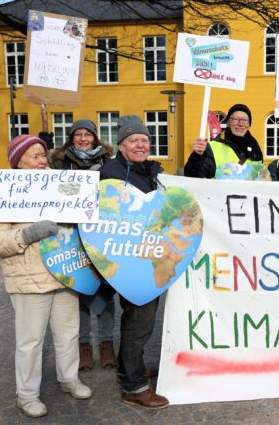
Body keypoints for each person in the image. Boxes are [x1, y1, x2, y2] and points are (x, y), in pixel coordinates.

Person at [0, 135, 92, 418]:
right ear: (18, 162)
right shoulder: (5, 191)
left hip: (65, 272)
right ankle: (26, 395)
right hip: (28, 277)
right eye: (34, 156)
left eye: (43, 155)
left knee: (68, 334)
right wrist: (26, 235)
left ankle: (69, 379)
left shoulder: (62, 183)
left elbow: (84, 217)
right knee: (30, 341)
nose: (42, 161)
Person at [98, 115, 168, 408]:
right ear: (121, 145)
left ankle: (130, 369)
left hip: (147, 255)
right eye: (133, 140)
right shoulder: (111, 173)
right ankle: (135, 387)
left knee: (139, 319)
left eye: (144, 140)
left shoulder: (149, 170)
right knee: (138, 321)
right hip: (129, 261)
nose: (140, 144)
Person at [49, 119, 117, 371]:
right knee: (81, 290)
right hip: (71, 233)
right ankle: (85, 346)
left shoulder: (109, 162)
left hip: (101, 233)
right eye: (78, 134)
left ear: (95, 138)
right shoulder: (58, 161)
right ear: (71, 138)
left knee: (106, 290)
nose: (83, 138)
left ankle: (107, 344)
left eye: (87, 134)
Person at [184, 103, 265, 180]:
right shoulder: (212, 148)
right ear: (228, 123)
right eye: (236, 119)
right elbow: (193, 176)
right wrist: (197, 157)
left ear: (249, 124)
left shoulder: (255, 150)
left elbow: (260, 179)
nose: (240, 124)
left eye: (244, 120)